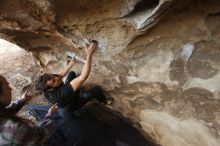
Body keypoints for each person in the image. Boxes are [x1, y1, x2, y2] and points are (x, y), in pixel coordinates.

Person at [34, 41, 112, 120]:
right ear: (50, 88)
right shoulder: (60, 95)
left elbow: (60, 75)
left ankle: (76, 92)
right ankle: (105, 101)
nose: (57, 78)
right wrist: (89, 54)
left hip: (64, 100)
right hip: (69, 108)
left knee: (71, 73)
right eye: (54, 81)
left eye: (53, 77)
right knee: (96, 90)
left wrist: (71, 64)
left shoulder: (47, 83)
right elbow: (82, 77)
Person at [0, 75, 57, 145]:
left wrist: (22, 101)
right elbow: (43, 134)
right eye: (7, 86)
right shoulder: (14, 130)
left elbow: (7, 111)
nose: (11, 88)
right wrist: (49, 115)